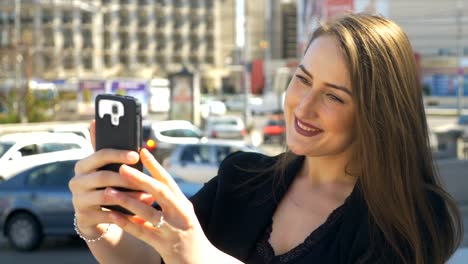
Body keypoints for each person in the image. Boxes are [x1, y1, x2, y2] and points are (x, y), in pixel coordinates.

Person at [69, 13, 462, 264]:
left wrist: (199, 258)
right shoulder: (240, 177)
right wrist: (99, 224)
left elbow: (188, 255)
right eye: (302, 80)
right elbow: (147, 261)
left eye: (334, 96)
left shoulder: (415, 219)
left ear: (377, 113)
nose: (303, 107)